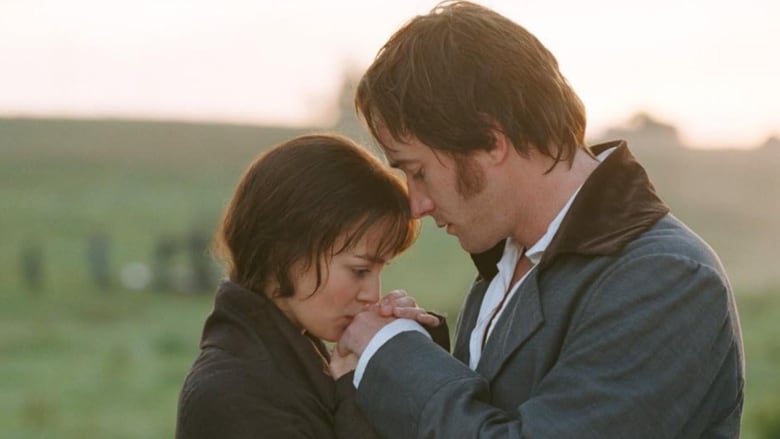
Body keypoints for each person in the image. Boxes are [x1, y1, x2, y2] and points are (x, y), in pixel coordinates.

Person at [335, 2, 745, 438]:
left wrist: (392, 355)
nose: (417, 204)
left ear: (491, 142)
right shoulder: (508, 264)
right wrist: (413, 353)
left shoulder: (667, 279)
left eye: (418, 172)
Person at [175, 134, 446, 439]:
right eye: (359, 270)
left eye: (379, 269)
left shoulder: (291, 363)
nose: (372, 294)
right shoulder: (235, 395)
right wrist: (354, 389)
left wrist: (406, 353)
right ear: (285, 253)